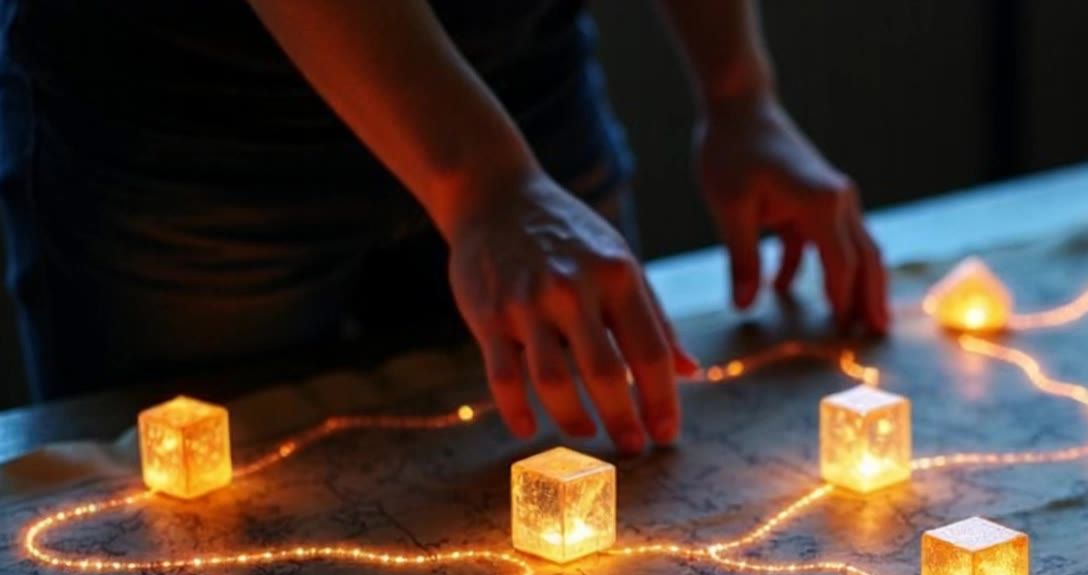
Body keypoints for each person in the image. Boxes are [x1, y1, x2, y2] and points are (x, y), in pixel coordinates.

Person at [0, 0, 888, 454]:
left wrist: (739, 93)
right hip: (183, 126)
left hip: (524, 80)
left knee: (601, 439)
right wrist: (486, 183)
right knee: (173, 548)